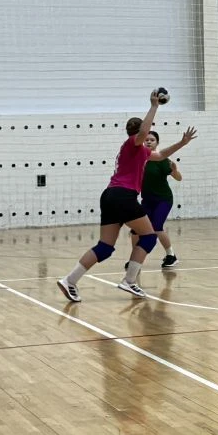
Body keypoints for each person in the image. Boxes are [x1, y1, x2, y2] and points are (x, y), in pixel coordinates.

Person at [57, 90, 196, 302]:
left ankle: (70, 280)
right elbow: (145, 131)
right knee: (149, 236)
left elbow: (161, 155)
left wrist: (181, 143)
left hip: (109, 196)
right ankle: (129, 281)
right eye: (144, 132)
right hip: (123, 196)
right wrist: (154, 106)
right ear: (139, 133)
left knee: (105, 247)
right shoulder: (132, 143)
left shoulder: (140, 151)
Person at [129, 131, 183, 269]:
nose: (148, 142)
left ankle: (171, 256)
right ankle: (135, 260)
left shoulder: (162, 160)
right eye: (146, 139)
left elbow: (178, 178)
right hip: (147, 200)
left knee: (156, 228)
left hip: (163, 200)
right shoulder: (139, 159)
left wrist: (175, 171)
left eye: (152, 140)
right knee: (136, 229)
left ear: (157, 143)